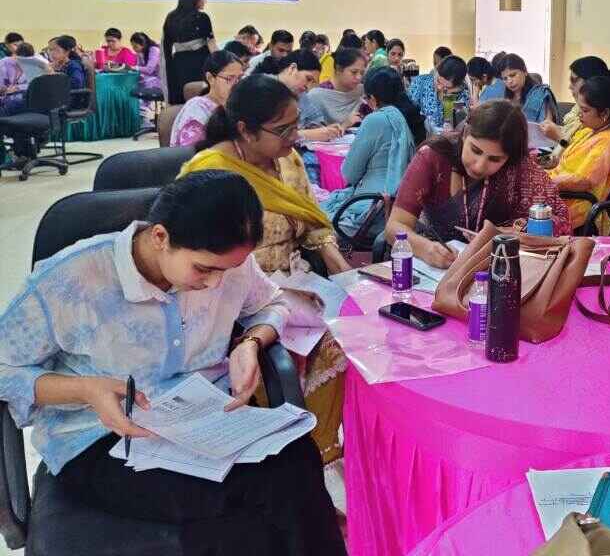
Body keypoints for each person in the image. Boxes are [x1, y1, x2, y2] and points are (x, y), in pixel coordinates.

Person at [0, 170, 346, 554]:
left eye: (227, 271)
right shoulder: (73, 279)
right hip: (103, 436)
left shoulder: (229, 264)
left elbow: (271, 303)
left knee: (297, 460)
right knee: (244, 511)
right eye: (204, 269)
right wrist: (85, 390)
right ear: (160, 237)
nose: (216, 284)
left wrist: (250, 342)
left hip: (204, 419)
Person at [180, 75, 350, 466]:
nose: (295, 137)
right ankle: (283, 453)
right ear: (245, 130)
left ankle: (321, 450)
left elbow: (312, 222)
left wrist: (342, 269)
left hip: (296, 280)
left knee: (356, 332)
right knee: (306, 350)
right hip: (232, 292)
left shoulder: (288, 160)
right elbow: (196, 256)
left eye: (296, 124)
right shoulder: (209, 173)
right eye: (283, 129)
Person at [387, 100, 572, 269]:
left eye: (495, 159)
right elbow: (394, 226)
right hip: (436, 266)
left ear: (509, 158)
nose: (479, 166)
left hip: (498, 266)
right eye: (475, 150)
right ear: (465, 134)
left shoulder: (519, 168)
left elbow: (561, 221)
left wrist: (515, 231)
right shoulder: (432, 158)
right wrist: (426, 249)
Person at [321, 68, 420, 239]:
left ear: (373, 99)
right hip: (403, 210)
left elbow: (349, 173)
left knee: (315, 222)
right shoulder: (416, 118)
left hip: (372, 212)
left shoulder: (376, 120)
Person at [547, 75, 610, 232]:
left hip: (576, 209)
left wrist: (543, 182)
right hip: (559, 196)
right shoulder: (588, 131)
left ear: (604, 113)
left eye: (585, 110)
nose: (579, 114)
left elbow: (583, 181)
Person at [539, 56, 610, 161]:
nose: (570, 86)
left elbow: (580, 156)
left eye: (574, 81)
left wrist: (558, 136)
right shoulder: (578, 109)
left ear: (591, 82)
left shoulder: (597, 118)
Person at [169, 51, 244, 148]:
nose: (237, 84)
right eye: (230, 78)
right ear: (210, 78)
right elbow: (192, 152)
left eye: (240, 78)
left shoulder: (237, 105)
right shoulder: (196, 109)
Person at [162, 0, 215, 104]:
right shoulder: (203, 17)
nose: (205, 1)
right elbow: (212, 45)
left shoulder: (171, 17)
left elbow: (166, 47)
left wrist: (169, 69)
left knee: (182, 101)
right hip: (200, 64)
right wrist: (221, 63)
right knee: (200, 99)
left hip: (178, 65)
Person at [300, 48, 368, 136]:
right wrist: (345, 125)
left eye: (362, 73)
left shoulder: (362, 91)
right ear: (339, 69)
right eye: (354, 72)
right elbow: (308, 133)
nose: (359, 77)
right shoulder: (317, 95)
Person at [407, 54, 469, 132]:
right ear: (436, 71)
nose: (439, 87)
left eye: (447, 87)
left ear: (457, 86)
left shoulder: (461, 95)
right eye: (438, 81)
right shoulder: (420, 82)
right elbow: (408, 112)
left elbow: (457, 127)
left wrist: (450, 98)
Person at [500, 53, 556, 123]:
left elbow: (547, 125)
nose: (509, 81)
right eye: (505, 78)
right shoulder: (505, 99)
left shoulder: (540, 94)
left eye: (513, 75)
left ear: (525, 71)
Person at [0, 42, 51, 115]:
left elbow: (34, 83)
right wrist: (5, 89)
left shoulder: (34, 63)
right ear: (14, 55)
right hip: (6, 97)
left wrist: (18, 88)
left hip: (21, 96)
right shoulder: (3, 63)